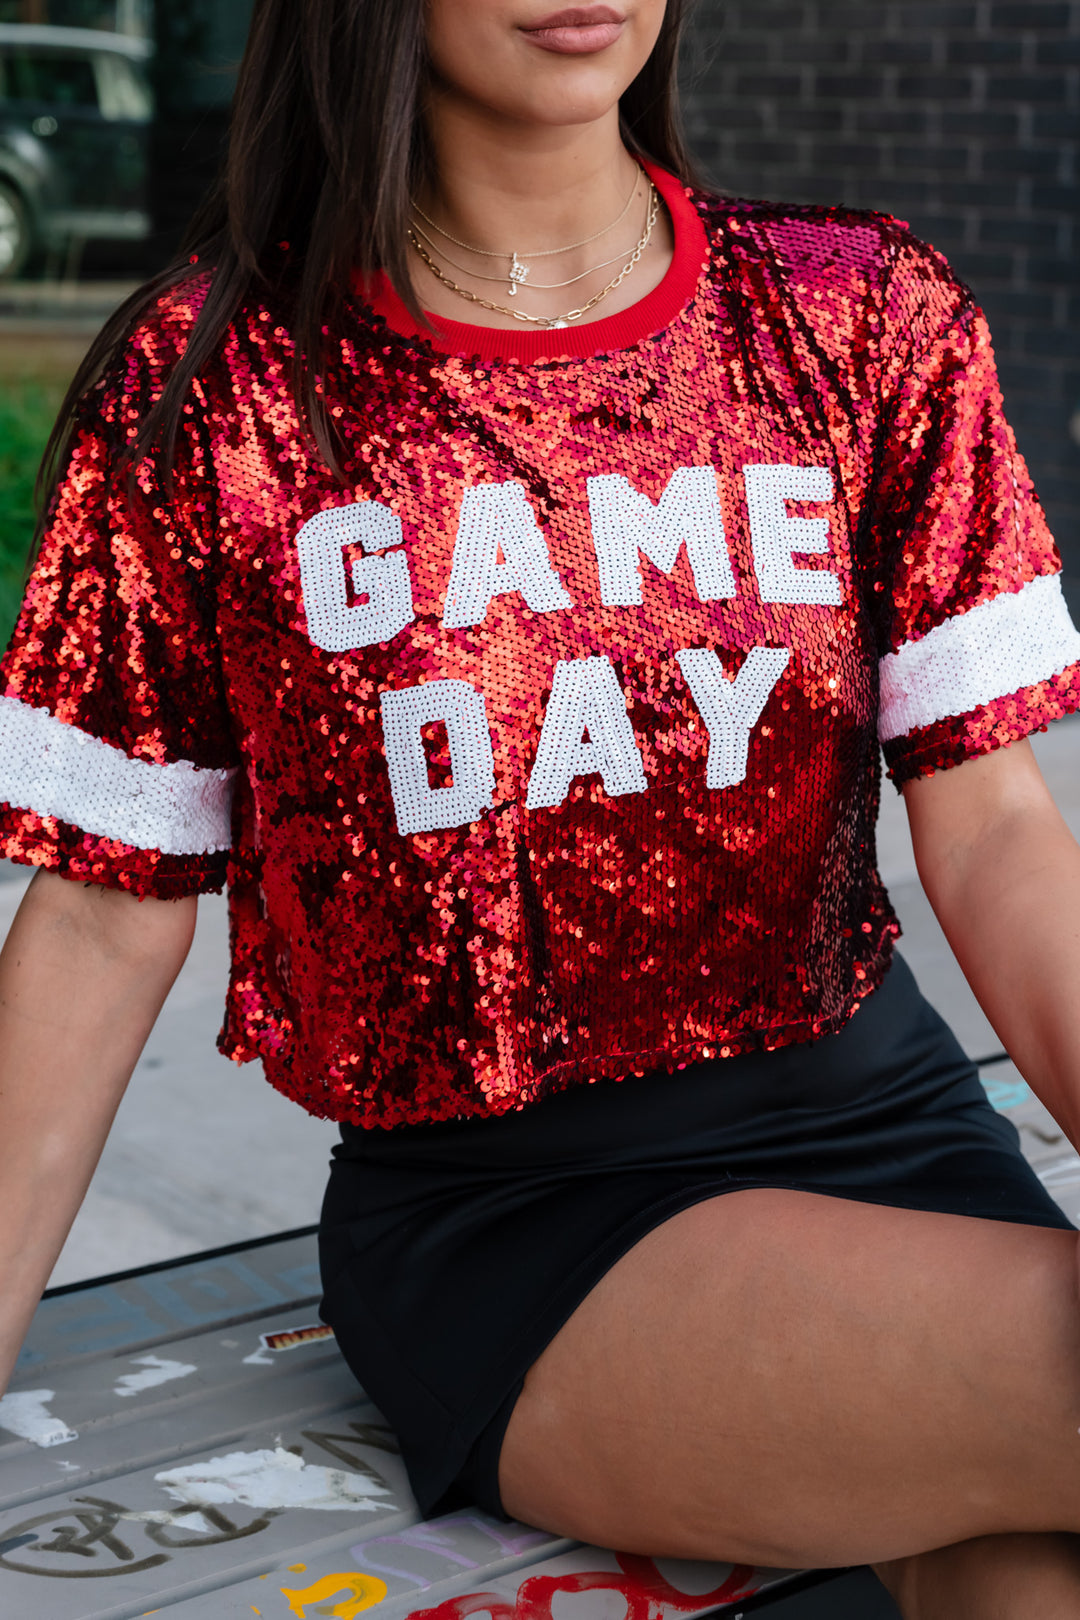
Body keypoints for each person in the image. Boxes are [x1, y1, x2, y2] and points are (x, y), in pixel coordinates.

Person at [1, 0, 1080, 1611]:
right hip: (532, 1228)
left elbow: (994, 827)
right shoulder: (216, 387)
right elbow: (97, 927)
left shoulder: (862, 313)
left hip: (895, 1132)